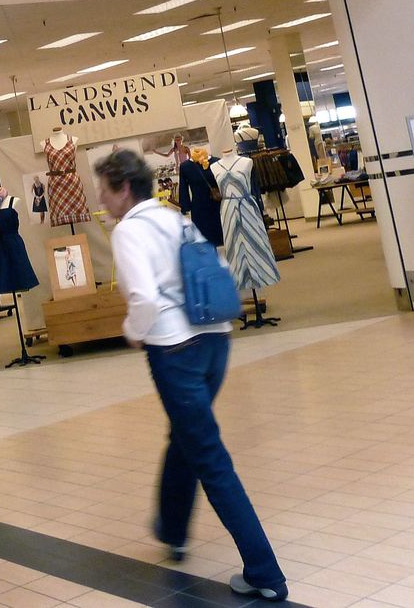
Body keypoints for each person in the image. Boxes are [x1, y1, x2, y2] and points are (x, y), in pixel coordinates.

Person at [94, 149, 287, 603]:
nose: (101, 199)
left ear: (124, 189)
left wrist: (133, 332)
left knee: (209, 457)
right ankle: (173, 529)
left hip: (175, 349)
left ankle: (266, 572)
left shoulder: (129, 232)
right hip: (215, 341)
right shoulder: (174, 218)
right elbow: (214, 268)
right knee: (186, 437)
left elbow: (142, 297)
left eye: (104, 190)